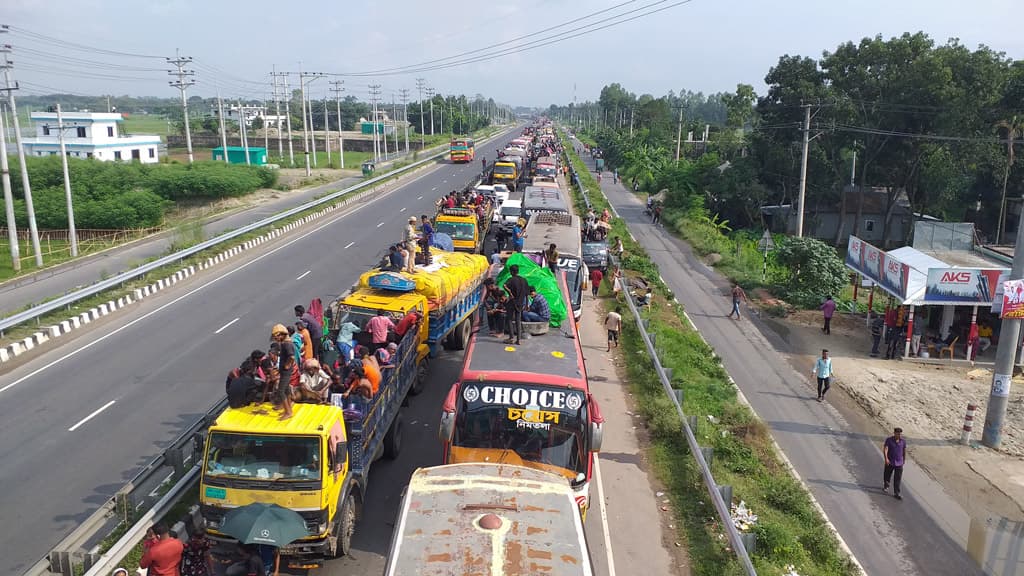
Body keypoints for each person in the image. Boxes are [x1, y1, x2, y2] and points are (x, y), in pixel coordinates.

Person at [271, 324, 296, 420]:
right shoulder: (285, 343)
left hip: (286, 371)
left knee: (281, 391)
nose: (276, 339)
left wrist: (287, 365)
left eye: (276, 336)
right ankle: (288, 406)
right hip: (285, 371)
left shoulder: (287, 344)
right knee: (286, 389)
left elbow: (292, 357)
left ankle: (288, 412)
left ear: (281, 335)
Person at [503, 264, 530, 344]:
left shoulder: (511, 279)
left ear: (511, 272)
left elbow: (504, 285)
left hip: (512, 302)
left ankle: (511, 338)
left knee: (510, 319)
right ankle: (518, 340)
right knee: (518, 320)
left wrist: (510, 293)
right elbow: (527, 294)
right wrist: (526, 305)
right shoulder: (524, 280)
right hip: (520, 303)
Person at [883, 427, 907, 500]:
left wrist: (904, 460)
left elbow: (904, 450)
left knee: (898, 478)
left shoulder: (903, 441)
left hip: (899, 463)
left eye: (900, 434)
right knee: (887, 475)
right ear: (894, 433)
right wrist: (886, 458)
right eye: (897, 434)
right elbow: (886, 449)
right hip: (890, 461)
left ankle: (897, 493)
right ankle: (886, 484)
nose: (899, 435)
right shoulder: (889, 440)